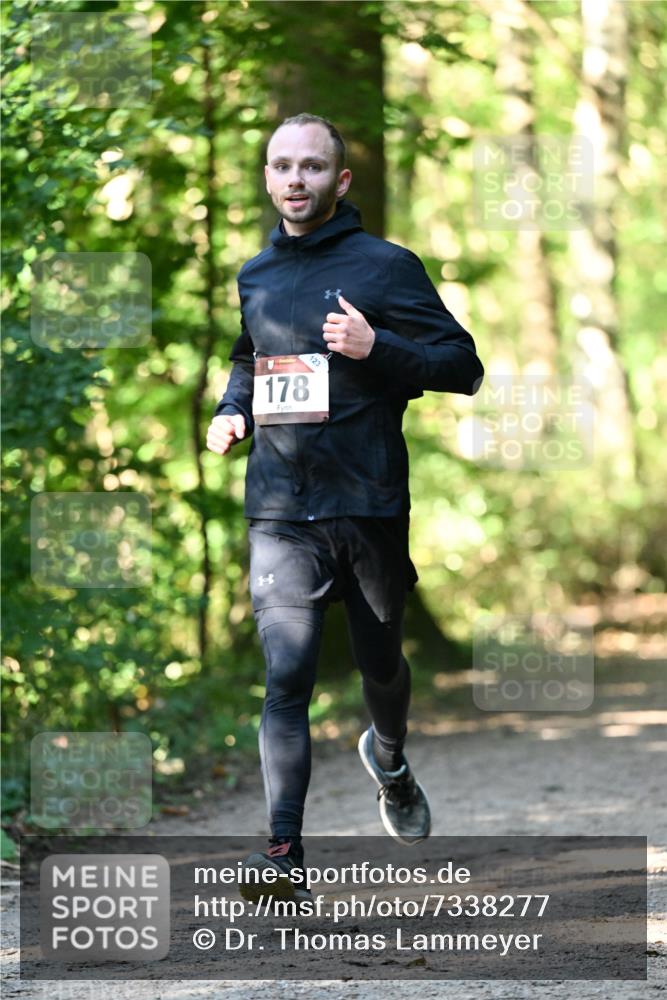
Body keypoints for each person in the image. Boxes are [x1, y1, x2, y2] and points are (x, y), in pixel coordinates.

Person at [207, 113, 484, 902]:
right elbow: (248, 357)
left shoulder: (386, 268)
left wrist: (378, 349)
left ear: (340, 181)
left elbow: (463, 366)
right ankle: (282, 852)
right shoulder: (255, 275)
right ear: (267, 178)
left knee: (380, 665)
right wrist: (236, 410)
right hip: (279, 509)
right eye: (281, 166)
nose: (295, 180)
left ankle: (389, 758)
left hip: (367, 507)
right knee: (284, 678)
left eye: (312, 167)